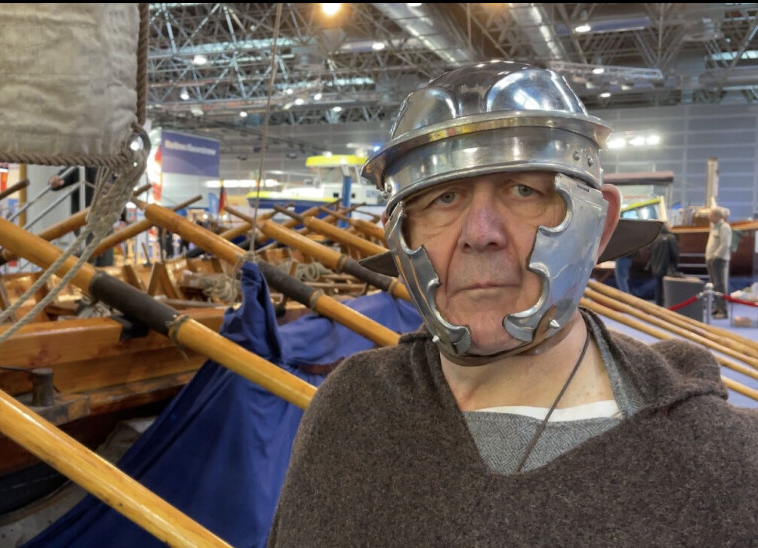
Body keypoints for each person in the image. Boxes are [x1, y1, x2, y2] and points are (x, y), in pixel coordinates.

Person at [269, 61, 758, 545]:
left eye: (524, 191)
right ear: (400, 238)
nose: (480, 235)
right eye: (443, 198)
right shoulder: (351, 411)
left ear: (601, 224)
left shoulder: (721, 458)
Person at [49, 166, 115, 267]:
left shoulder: (109, 166)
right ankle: (90, 276)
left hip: (107, 218)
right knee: (91, 252)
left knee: (105, 254)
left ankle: (103, 274)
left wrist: (123, 215)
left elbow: (118, 188)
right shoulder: (81, 166)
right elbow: (62, 177)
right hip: (87, 219)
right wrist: (55, 180)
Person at [705, 206, 732, 319]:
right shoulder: (714, 227)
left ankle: (723, 311)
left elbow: (725, 244)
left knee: (720, 286)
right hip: (711, 259)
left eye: (711, 214)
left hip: (719, 260)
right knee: (714, 285)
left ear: (717, 216)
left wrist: (716, 255)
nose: (708, 216)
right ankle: (716, 308)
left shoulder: (724, 227)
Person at [648, 223, 680, 306]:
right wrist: (675, 266)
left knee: (658, 288)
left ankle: (659, 305)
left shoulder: (655, 239)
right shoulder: (671, 238)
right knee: (668, 289)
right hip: (668, 268)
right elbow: (675, 254)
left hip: (656, 267)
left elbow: (650, 253)